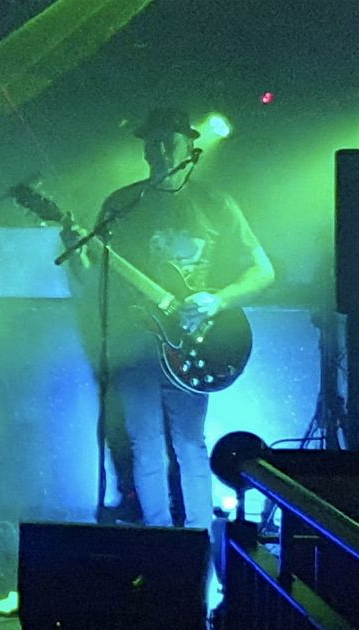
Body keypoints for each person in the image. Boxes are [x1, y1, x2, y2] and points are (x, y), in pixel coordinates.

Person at [69, 107, 275, 528]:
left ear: (190, 146)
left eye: (168, 141)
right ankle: (160, 539)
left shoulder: (215, 203)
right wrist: (77, 254)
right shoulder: (123, 203)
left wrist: (217, 300)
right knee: (145, 443)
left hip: (194, 341)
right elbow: (94, 280)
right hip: (134, 339)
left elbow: (263, 270)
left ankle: (198, 536)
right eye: (152, 143)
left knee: (189, 443)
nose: (159, 150)